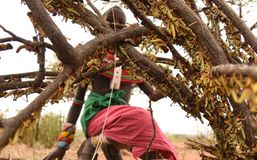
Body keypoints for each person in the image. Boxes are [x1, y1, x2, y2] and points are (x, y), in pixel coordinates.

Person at [44, 6, 178, 160]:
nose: (115, 25)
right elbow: (77, 101)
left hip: (124, 122)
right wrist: (62, 145)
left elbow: (153, 95)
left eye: (121, 22)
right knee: (142, 116)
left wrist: (174, 86)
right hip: (95, 117)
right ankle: (93, 145)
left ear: (128, 29)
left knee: (145, 130)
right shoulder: (92, 58)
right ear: (101, 23)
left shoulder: (133, 63)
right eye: (110, 20)